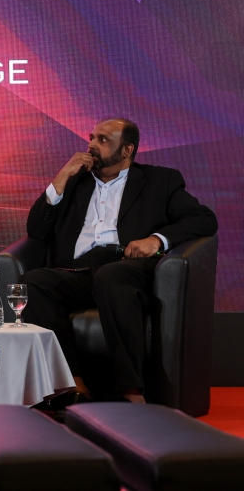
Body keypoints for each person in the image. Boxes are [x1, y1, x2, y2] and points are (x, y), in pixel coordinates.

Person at [21, 118, 217, 403]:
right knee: (33, 283)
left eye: (103, 140)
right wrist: (61, 177)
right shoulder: (75, 182)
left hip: (128, 267)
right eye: (91, 138)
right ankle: (71, 384)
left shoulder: (160, 181)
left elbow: (204, 219)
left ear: (126, 150)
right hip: (80, 269)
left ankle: (130, 390)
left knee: (112, 276)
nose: (91, 145)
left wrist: (156, 240)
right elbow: (36, 230)